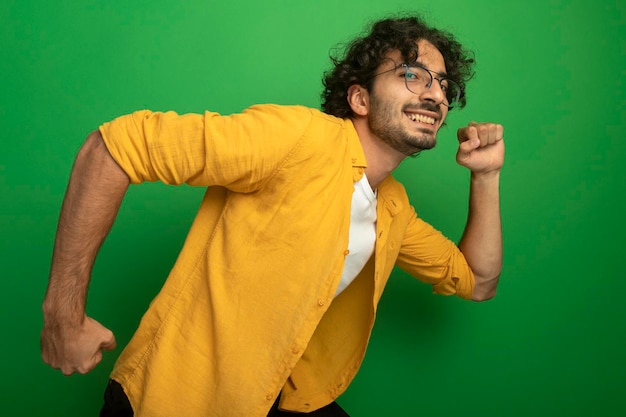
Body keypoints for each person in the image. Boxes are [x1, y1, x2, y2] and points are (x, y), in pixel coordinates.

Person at [41, 14, 504, 417]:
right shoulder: (300, 139)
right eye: (413, 74)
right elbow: (113, 149)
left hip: (279, 399)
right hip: (175, 400)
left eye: (443, 84)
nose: (435, 95)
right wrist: (63, 316)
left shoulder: (393, 206)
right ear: (360, 99)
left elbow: (478, 281)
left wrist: (486, 176)